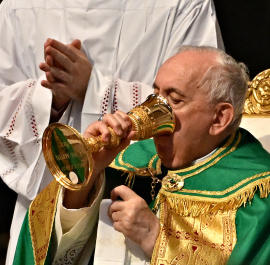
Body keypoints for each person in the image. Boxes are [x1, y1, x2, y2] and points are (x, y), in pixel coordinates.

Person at [0, 0, 224, 263]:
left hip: (152, 204)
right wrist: (50, 99)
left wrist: (95, 90)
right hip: (52, 203)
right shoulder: (22, 2)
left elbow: (202, 101)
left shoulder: (184, 1)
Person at [14, 46, 270, 264]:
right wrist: (87, 176)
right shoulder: (129, 159)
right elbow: (49, 250)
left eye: (175, 100)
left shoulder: (257, 196)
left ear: (219, 118)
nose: (154, 110)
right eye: (156, 94)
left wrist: (157, 239)